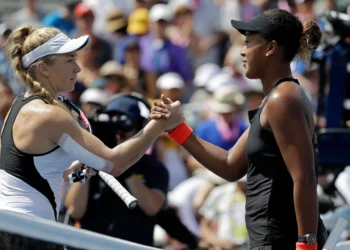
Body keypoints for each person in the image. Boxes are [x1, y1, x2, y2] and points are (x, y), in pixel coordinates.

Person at [150, 9, 328, 250]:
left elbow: (304, 177)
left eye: (248, 42)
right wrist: (177, 128)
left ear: (270, 48)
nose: (242, 51)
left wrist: (306, 244)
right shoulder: (275, 100)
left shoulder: (282, 99)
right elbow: (230, 165)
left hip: (282, 243)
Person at [0, 25, 182, 222]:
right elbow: (114, 164)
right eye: (69, 60)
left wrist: (76, 165)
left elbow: (29, 169)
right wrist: (160, 125)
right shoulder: (49, 115)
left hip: (17, 227)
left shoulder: (22, 104)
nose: (77, 68)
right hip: (25, 232)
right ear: (43, 68)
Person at [65, 93, 169, 246]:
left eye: (126, 125)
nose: (118, 134)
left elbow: (152, 207)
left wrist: (123, 167)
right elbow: (74, 209)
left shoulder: (154, 168)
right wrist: (90, 161)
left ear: (140, 128)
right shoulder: (90, 162)